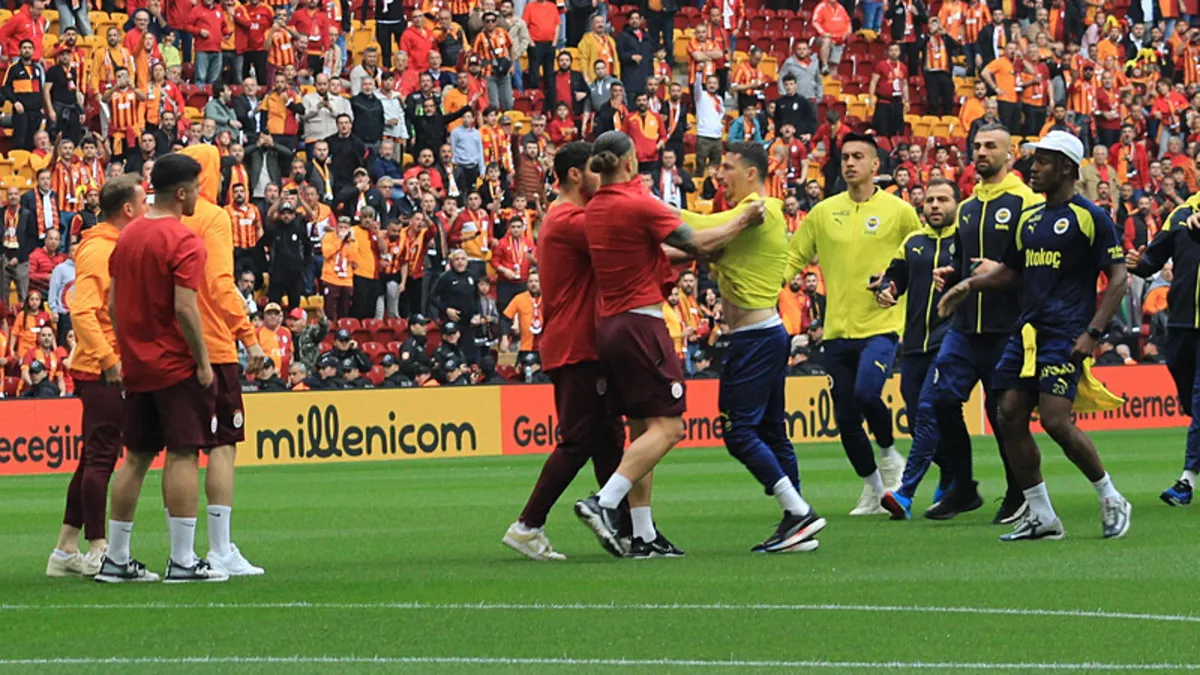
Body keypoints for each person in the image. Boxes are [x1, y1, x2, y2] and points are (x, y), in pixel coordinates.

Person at [574, 131, 762, 558]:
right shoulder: (637, 203)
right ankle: (602, 503)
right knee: (672, 426)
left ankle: (642, 534)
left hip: (613, 325)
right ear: (629, 164)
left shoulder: (597, 208)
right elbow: (695, 240)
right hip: (642, 323)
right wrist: (743, 220)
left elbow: (658, 255)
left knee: (643, 427)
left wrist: (700, 254)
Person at [938, 130, 1132, 542]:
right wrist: (969, 286)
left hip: (1066, 334)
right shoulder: (1030, 219)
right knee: (1007, 413)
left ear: (1066, 166)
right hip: (1026, 332)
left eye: (1042, 161)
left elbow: (1118, 278)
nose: (1033, 167)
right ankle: (1042, 515)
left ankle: (1111, 496)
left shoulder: (1090, 217)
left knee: (1056, 421)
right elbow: (1012, 272)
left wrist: (1093, 333)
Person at [679, 142, 825, 553]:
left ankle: (798, 512)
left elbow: (688, 222)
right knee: (772, 432)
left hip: (755, 338)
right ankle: (797, 524)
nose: (718, 175)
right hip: (763, 335)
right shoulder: (746, 218)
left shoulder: (763, 210)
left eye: (727, 167)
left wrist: (638, 202)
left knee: (739, 433)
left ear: (751, 173)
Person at [97, 154, 227, 583]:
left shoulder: (127, 236)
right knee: (185, 453)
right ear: (183, 192)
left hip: (138, 365)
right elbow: (185, 308)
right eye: (197, 187)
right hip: (175, 365)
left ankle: (116, 558)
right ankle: (183, 559)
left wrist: (129, 349)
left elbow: (113, 304)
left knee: (134, 457)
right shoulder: (184, 239)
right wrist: (204, 363)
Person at [785, 133, 920, 515]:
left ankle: (890, 455)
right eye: (845, 156)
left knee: (865, 393)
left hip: (880, 322)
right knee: (844, 416)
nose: (849, 163)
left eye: (858, 156)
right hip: (836, 330)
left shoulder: (898, 211)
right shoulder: (824, 212)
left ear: (875, 165)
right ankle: (874, 490)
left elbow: (919, 255)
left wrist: (895, 282)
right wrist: (766, 285)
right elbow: (794, 258)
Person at [504, 142, 624, 561]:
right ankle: (527, 524)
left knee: (608, 437)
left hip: (581, 342)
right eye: (597, 170)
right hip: (576, 345)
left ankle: (622, 527)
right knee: (578, 440)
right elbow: (625, 244)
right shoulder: (570, 219)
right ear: (576, 174)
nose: (603, 179)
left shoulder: (564, 217)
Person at [923, 124, 1040, 523]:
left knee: (1002, 414)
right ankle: (963, 486)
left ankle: (1018, 491)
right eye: (977, 146)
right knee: (940, 401)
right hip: (965, 326)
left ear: (1010, 154)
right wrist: (953, 275)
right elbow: (966, 258)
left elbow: (1038, 266)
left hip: (1007, 328)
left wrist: (1004, 269)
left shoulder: (1025, 201)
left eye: (991, 146)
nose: (982, 152)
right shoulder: (968, 208)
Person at [44, 176, 145, 578]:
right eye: (142, 201)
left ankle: (65, 549)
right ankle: (99, 549)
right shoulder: (100, 250)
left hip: (101, 365)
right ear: (127, 210)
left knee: (91, 457)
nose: (146, 208)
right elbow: (82, 310)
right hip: (101, 369)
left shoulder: (108, 245)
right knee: (102, 456)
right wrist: (108, 360)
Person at [179, 145, 268, 577]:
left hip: (165, 347)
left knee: (172, 452)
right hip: (212, 344)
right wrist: (249, 338)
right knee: (222, 445)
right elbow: (219, 283)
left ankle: (172, 555)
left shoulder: (153, 217)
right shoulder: (212, 216)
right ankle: (219, 549)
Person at [872, 179, 958, 519]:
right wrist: (886, 290)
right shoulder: (913, 242)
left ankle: (905, 493)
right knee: (919, 418)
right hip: (914, 344)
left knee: (926, 410)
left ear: (956, 204)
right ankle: (952, 475)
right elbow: (896, 278)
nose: (935, 205)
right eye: (930, 200)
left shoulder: (964, 239)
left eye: (943, 199)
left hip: (950, 340)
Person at [1126, 190, 1200, 506]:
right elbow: (1151, 262)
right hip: (1182, 322)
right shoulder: (1180, 215)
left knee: (1199, 400)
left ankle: (1187, 481)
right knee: (1188, 400)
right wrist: (1135, 263)